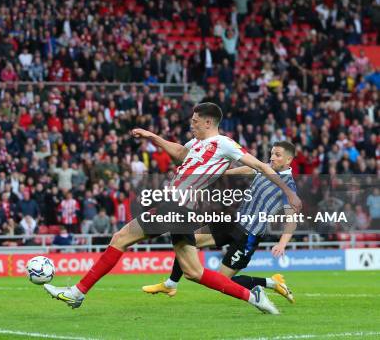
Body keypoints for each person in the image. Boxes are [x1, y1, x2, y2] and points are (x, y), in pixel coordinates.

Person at [44, 103, 302, 315]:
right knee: (193, 272)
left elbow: (261, 166)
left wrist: (289, 192)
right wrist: (153, 137)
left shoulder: (224, 144)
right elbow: (179, 152)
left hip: (177, 206)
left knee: (120, 238)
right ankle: (252, 297)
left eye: (195, 120)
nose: (192, 124)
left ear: (208, 123)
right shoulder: (196, 144)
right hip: (181, 209)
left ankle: (77, 293)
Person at [142, 141, 298, 303]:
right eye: (272, 153)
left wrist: (282, 243)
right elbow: (250, 168)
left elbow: (291, 218)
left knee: (222, 281)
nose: (272, 157)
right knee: (189, 239)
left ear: (288, 161)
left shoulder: (289, 186)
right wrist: (225, 173)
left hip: (249, 234)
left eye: (277, 155)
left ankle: (271, 283)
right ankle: (171, 283)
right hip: (232, 223)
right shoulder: (266, 168)